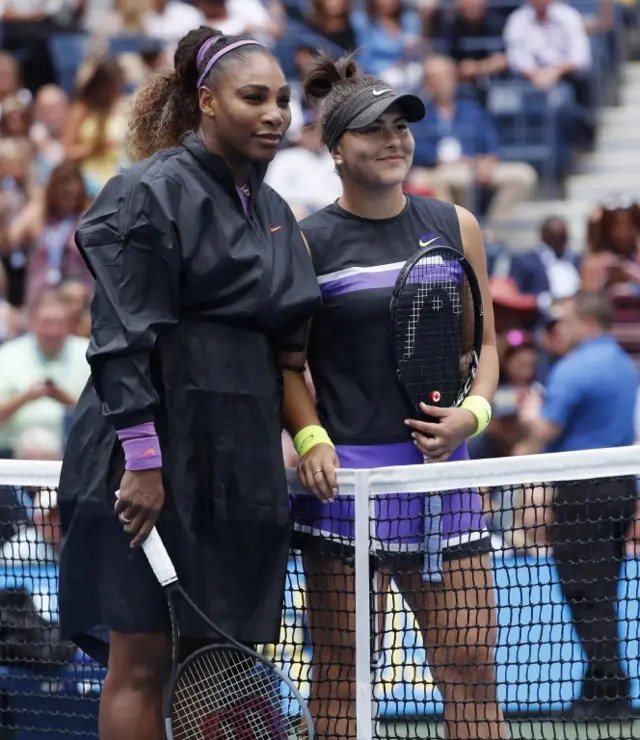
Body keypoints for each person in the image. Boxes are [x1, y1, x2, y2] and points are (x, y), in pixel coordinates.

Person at [56, 27, 322, 740]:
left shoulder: (272, 211)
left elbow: (287, 350)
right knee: (141, 659)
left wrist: (306, 433)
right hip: (154, 456)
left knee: (212, 656)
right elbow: (119, 340)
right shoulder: (148, 191)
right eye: (253, 98)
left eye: (282, 100)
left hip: (239, 463)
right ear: (207, 101)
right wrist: (143, 463)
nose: (274, 114)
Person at [281, 53, 504, 740]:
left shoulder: (455, 224)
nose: (394, 139)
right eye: (374, 130)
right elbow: (287, 366)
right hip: (345, 489)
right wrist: (312, 440)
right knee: (344, 674)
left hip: (443, 483)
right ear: (337, 149)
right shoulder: (306, 242)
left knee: (471, 666)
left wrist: (474, 413)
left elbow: (485, 348)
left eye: (401, 125)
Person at [514, 292, 637, 719]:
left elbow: (545, 429)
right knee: (600, 591)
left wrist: (527, 419)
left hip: (583, 494)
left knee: (587, 593)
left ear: (586, 322)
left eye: (564, 321)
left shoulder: (573, 367)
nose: (557, 330)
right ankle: (603, 686)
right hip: (620, 489)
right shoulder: (624, 364)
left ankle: (607, 692)